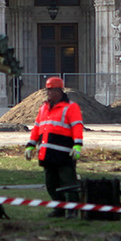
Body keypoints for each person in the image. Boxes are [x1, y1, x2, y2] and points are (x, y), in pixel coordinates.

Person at [25, 76, 85, 217]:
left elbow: (77, 126)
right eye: (48, 91)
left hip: (64, 153)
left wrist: (77, 146)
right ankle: (59, 208)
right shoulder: (43, 109)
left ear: (59, 91)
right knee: (51, 184)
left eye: (52, 91)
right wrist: (30, 146)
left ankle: (72, 210)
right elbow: (37, 128)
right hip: (47, 153)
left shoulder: (71, 107)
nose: (49, 94)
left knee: (68, 183)